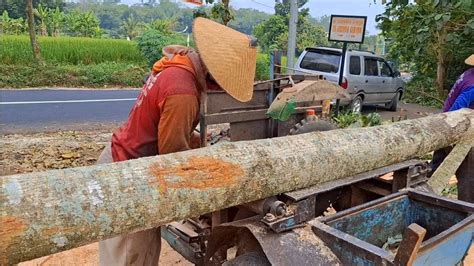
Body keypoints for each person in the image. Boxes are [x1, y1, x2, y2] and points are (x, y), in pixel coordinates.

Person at [96, 17, 257, 265]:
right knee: (130, 256)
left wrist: (203, 142)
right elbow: (173, 155)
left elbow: (165, 129)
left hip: (128, 160)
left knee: (145, 251)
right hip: (126, 174)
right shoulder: (183, 91)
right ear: (212, 73)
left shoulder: (179, 63)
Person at [431, 54, 474, 203]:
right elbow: (456, 111)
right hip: (455, 130)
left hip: (445, 126)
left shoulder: (468, 74)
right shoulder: (472, 86)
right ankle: (467, 214)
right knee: (469, 177)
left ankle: (425, 195)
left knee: (435, 170)